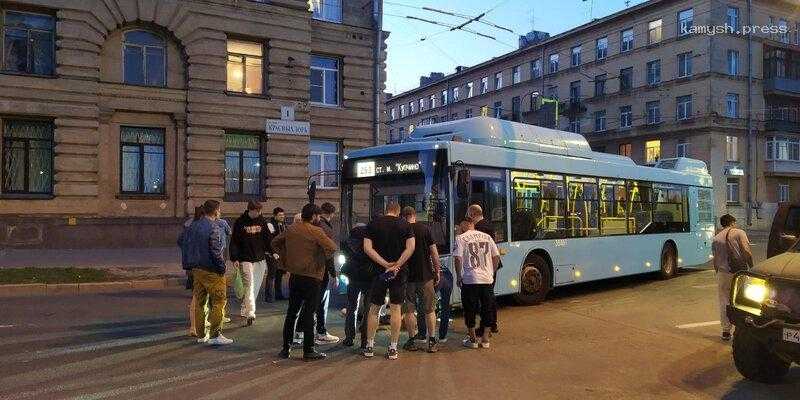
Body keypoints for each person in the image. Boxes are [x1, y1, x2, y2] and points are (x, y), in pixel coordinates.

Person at [273, 203, 338, 361]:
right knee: (309, 313)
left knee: (291, 313)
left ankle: (286, 348)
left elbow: (275, 243)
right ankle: (308, 350)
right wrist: (321, 257)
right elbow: (332, 247)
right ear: (315, 216)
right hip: (312, 277)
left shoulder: (292, 228)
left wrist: (286, 258)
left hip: (295, 276)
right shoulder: (317, 231)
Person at [363, 202, 415, 360]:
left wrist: (384, 264)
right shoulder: (405, 225)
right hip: (399, 272)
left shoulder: (373, 224)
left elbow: (367, 248)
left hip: (379, 271)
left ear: (386, 210)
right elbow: (411, 247)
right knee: (395, 309)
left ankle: (369, 345)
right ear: (398, 212)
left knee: (374, 308)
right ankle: (393, 347)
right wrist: (397, 264)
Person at [179, 200, 232, 346]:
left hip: (196, 269)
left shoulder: (192, 225)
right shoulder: (213, 227)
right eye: (219, 210)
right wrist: (222, 268)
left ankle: (201, 334)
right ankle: (215, 334)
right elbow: (216, 251)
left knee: (200, 302)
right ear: (216, 211)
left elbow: (181, 241)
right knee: (219, 302)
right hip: (211, 269)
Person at [400, 206, 442, 353]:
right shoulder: (424, 229)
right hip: (425, 276)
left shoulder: (401, 231)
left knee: (409, 310)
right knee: (430, 309)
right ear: (414, 215)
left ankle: (412, 341)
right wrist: (437, 271)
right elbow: (434, 253)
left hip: (407, 277)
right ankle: (431, 341)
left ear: (403, 216)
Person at [454, 217, 500, 349]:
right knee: (487, 308)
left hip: (470, 279)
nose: (459, 228)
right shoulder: (487, 237)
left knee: (470, 309)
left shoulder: (460, 238)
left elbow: (458, 258)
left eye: (460, 225)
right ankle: (485, 340)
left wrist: (458, 276)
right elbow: (496, 257)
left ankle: (473, 340)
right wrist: (491, 272)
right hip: (486, 279)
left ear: (467, 224)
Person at [712, 213, 753, 341]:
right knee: (742, 299)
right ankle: (743, 329)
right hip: (738, 272)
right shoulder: (739, 233)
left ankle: (725, 331)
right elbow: (746, 251)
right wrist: (752, 267)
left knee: (724, 301)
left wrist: (718, 272)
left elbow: (715, 260)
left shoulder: (716, 238)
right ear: (732, 222)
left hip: (723, 273)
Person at [230, 200, 270, 326]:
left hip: (260, 258)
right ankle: (251, 312)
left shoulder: (262, 221)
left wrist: (272, 251)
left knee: (256, 285)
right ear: (250, 210)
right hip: (245, 258)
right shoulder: (240, 222)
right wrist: (235, 258)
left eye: (260, 211)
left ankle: (245, 305)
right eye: (257, 211)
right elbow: (234, 241)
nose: (259, 213)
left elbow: (267, 238)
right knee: (249, 285)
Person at [467, 204, 500, 337]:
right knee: (489, 297)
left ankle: (486, 327)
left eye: (469, 216)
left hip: (484, 267)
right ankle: (492, 325)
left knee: (483, 299)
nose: (469, 219)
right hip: (491, 266)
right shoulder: (489, 224)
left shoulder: (480, 228)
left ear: (473, 214)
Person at [340, 223, 375, 348]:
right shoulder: (371, 241)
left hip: (353, 277)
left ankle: (349, 337)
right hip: (369, 277)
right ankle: (365, 339)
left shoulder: (347, 243)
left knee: (351, 306)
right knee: (368, 309)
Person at [313, 202, 340, 344]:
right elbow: (328, 253)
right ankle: (321, 332)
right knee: (321, 301)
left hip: (310, 269)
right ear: (331, 214)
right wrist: (334, 274)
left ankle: (304, 333)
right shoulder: (325, 229)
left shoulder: (313, 226)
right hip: (321, 269)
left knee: (312, 301)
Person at [180, 206, 204, 337]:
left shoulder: (189, 226)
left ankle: (194, 326)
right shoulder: (200, 228)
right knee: (198, 296)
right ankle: (196, 326)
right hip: (199, 265)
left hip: (190, 265)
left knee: (196, 296)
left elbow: (180, 241)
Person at [265, 207, 286, 302]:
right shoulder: (270, 225)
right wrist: (273, 252)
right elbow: (270, 240)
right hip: (271, 253)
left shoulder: (283, 224)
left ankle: (278, 294)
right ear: (275, 216)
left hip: (281, 253)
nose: (282, 217)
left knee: (280, 274)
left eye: (283, 215)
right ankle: (268, 296)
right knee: (272, 274)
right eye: (280, 215)